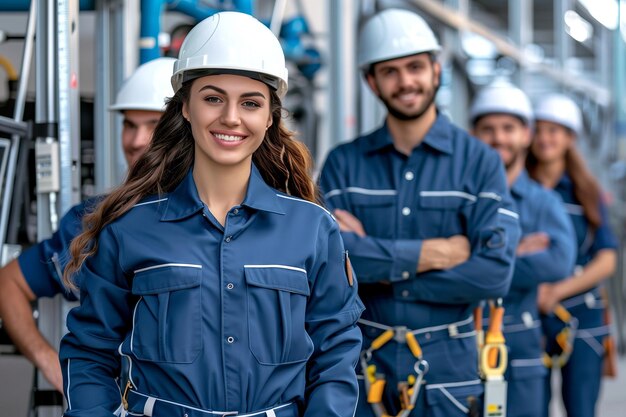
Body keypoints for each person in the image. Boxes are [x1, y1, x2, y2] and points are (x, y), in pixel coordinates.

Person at [59, 11, 363, 417]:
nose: (231, 118)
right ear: (186, 107)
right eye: (213, 98)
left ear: (269, 117)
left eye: (250, 103)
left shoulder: (312, 230)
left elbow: (335, 354)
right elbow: (90, 351)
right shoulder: (129, 229)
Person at [319, 8, 520, 417]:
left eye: (415, 67)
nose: (406, 81)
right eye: (390, 71)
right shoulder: (343, 163)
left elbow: (495, 272)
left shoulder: (480, 161)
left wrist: (376, 268)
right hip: (361, 369)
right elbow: (328, 264)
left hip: (448, 373)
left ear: (436, 69)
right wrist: (434, 254)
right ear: (370, 81)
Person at [0, 57, 175, 392]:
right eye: (129, 124)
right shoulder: (96, 221)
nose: (136, 140)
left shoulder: (234, 216)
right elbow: (9, 283)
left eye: (153, 124)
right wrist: (54, 367)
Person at [469, 82, 577, 417]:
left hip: (521, 348)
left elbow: (559, 262)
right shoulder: (461, 198)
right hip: (461, 345)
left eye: (508, 128)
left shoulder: (545, 202)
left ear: (526, 134)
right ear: (473, 134)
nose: (498, 137)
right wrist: (516, 251)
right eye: (488, 129)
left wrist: (474, 260)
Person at [527, 94, 618, 417]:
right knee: (528, 407)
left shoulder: (588, 192)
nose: (545, 138)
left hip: (581, 316)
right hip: (528, 314)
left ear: (570, 137)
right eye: (539, 129)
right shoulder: (517, 186)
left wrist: (555, 292)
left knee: (581, 408)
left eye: (555, 130)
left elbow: (607, 258)